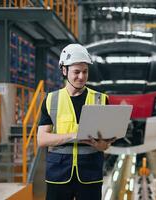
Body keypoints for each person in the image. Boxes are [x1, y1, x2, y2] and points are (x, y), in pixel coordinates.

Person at [37, 44, 116, 200]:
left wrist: (103, 145)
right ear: (64, 71)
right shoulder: (51, 100)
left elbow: (105, 143)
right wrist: (74, 136)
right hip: (58, 174)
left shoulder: (100, 99)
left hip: (90, 174)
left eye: (85, 72)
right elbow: (42, 139)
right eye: (76, 72)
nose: (81, 77)